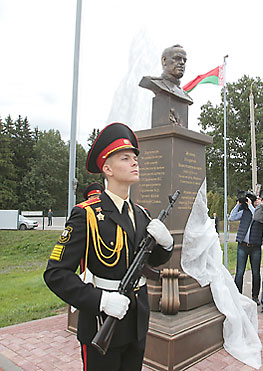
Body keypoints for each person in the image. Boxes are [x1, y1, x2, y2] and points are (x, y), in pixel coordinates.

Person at [44, 122, 174, 371]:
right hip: (102, 320)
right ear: (107, 168)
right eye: (125, 158)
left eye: (135, 157)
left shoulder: (141, 213)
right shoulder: (87, 214)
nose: (135, 162)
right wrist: (100, 300)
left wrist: (166, 245)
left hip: (137, 321)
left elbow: (150, 262)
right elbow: (56, 274)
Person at [228, 195, 263, 305]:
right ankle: (237, 295)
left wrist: (250, 206)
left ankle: (255, 296)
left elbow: (256, 216)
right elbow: (232, 217)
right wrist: (238, 204)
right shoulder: (244, 212)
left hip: (255, 246)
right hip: (242, 245)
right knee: (239, 272)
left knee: (256, 273)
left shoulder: (261, 212)